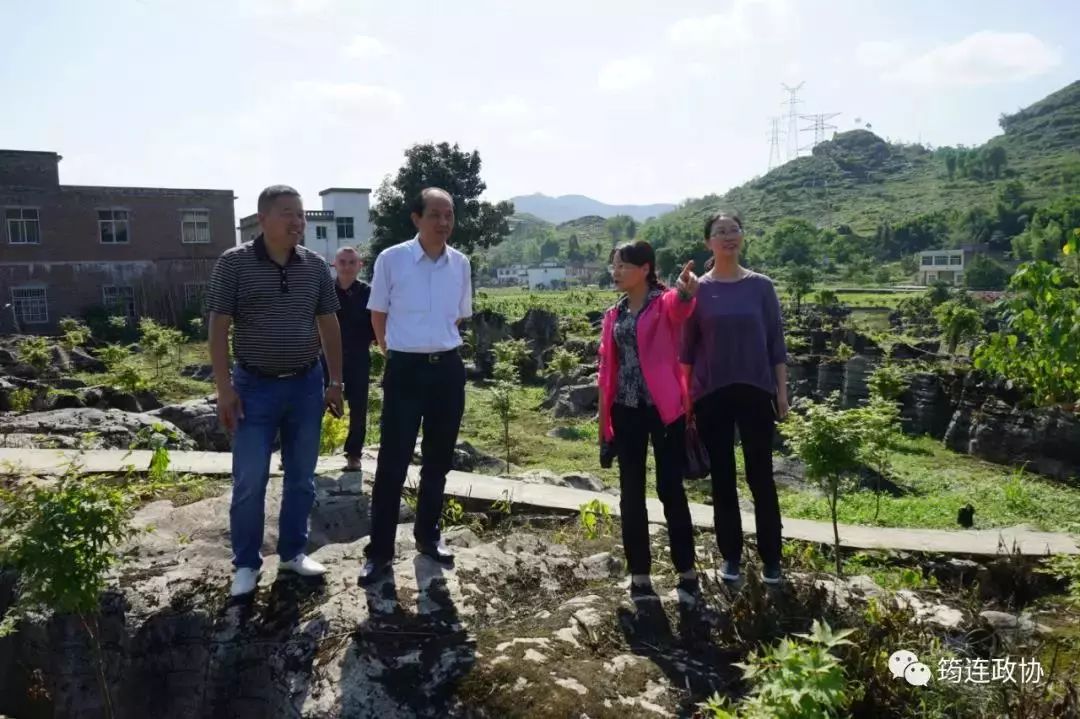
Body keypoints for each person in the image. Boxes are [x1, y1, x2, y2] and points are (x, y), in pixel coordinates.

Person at [206, 184, 345, 597]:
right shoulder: (234, 264)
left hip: (305, 385)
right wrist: (223, 388)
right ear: (262, 219)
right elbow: (218, 326)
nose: (297, 222)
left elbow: (329, 324)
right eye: (287, 213)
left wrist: (334, 381)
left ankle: (292, 553)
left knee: (302, 478)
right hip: (253, 387)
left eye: (300, 214)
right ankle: (247, 563)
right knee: (250, 478)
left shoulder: (315, 266)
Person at [359, 187, 472, 585]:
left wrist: (433, 346)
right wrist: (396, 353)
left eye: (450, 215)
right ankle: (380, 553)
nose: (444, 223)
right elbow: (378, 314)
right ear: (416, 218)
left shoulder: (460, 263)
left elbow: (458, 318)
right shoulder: (392, 260)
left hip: (447, 370)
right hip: (405, 369)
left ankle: (428, 537)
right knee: (393, 463)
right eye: (436, 215)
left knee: (438, 462)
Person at [680, 211, 789, 585]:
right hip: (712, 394)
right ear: (708, 242)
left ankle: (772, 558)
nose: (728, 236)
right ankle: (731, 557)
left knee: (761, 477)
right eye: (719, 231)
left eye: (734, 230)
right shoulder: (699, 289)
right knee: (723, 480)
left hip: (757, 391)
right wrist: (686, 397)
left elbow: (777, 343)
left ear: (742, 237)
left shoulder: (762, 286)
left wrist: (783, 393)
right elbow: (688, 349)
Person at [598, 241, 701, 605]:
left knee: (669, 489)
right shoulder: (615, 313)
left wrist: (687, 292)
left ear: (645, 269)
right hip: (625, 411)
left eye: (623, 265)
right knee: (631, 493)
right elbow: (606, 372)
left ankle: (686, 570)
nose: (616, 271)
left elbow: (681, 307)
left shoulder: (663, 303)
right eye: (615, 265)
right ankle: (639, 573)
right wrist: (603, 426)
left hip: (664, 411)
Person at [328, 246, 375, 471]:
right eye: (342, 262)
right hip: (325, 357)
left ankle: (354, 454)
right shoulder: (325, 291)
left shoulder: (369, 293)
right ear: (334, 264)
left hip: (357, 356)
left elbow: (377, 324)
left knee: (358, 408)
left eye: (351, 262)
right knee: (311, 406)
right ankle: (295, 455)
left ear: (360, 266)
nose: (347, 266)